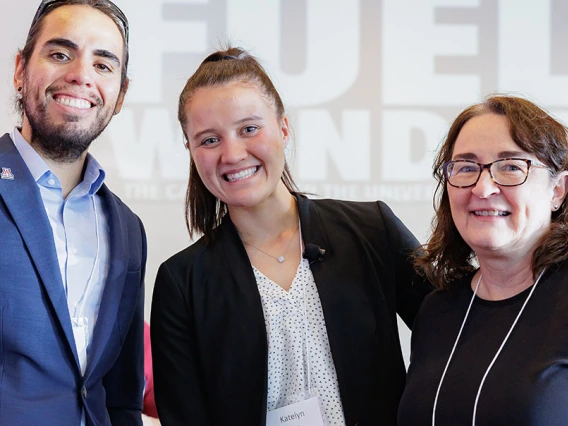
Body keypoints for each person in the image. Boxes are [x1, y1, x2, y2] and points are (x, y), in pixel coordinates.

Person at [150, 46, 431, 426]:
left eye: (249, 129)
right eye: (209, 140)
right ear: (191, 151)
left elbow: (456, 330)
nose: (232, 154)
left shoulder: (370, 229)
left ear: (283, 128)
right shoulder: (182, 282)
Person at [0, 0, 146, 424]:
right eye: (60, 54)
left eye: (104, 65)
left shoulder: (128, 229)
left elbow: (122, 395)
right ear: (20, 70)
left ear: (120, 95)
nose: (81, 75)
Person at [397, 95, 568, 426]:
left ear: (558, 190)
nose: (483, 187)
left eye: (511, 167)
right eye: (466, 168)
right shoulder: (437, 310)